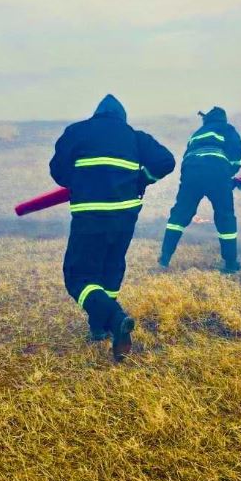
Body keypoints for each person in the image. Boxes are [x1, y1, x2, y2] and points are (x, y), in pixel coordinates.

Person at [50, 94, 175, 361]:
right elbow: (166, 160)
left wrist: (81, 181)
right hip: (125, 217)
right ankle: (99, 326)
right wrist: (141, 180)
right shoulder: (135, 137)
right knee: (111, 266)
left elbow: (58, 171)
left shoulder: (77, 132)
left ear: (96, 114)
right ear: (122, 118)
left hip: (90, 216)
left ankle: (114, 318)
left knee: (77, 276)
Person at [158, 107, 241, 273]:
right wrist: (229, 174)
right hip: (216, 171)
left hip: (191, 172)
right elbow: (237, 150)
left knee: (180, 214)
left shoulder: (197, 133)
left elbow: (188, 155)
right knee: (225, 216)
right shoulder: (226, 128)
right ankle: (231, 264)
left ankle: (164, 257)